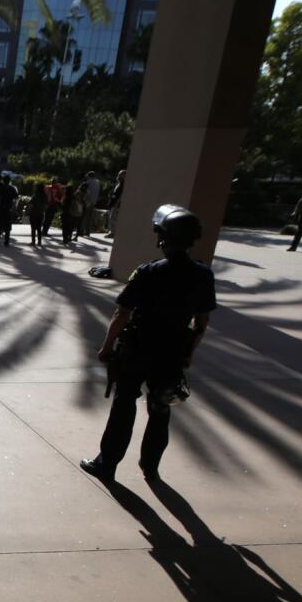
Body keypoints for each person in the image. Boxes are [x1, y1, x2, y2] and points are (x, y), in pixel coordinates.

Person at [79, 205, 215, 482]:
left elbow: (122, 313)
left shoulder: (149, 272)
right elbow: (201, 322)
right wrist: (188, 353)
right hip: (172, 353)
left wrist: (106, 347)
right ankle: (150, 466)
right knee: (160, 408)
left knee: (124, 405)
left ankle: (108, 464)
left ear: (164, 238)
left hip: (137, 349)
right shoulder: (203, 274)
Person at [0, 172, 18, 245]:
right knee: (7, 226)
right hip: (8, 208)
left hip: (1, 208)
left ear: (3, 180)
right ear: (9, 181)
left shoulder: (0, 187)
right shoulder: (12, 188)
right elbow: (16, 198)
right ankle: (6, 241)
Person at [80, 171, 102, 240]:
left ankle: (81, 231)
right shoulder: (98, 182)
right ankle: (87, 231)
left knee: (84, 216)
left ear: (89, 176)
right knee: (89, 217)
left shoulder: (88, 182)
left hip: (87, 201)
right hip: (94, 202)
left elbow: (84, 191)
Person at [106, 169, 126, 237]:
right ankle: (111, 231)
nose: (119, 176)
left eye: (121, 175)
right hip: (113, 203)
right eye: (119, 174)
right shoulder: (118, 183)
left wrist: (116, 204)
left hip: (116, 204)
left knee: (113, 218)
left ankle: (113, 232)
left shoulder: (123, 184)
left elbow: (120, 196)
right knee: (111, 217)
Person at [28, 183, 49, 247]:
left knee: (33, 228)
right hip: (40, 213)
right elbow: (46, 205)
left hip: (33, 213)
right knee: (39, 228)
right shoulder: (45, 196)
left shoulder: (35, 195)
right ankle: (39, 242)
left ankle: (33, 241)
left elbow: (31, 204)